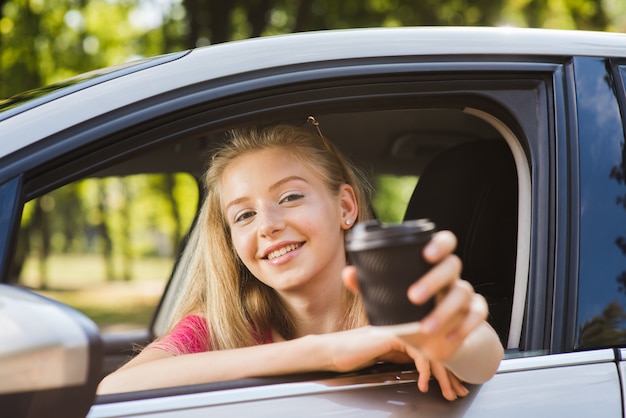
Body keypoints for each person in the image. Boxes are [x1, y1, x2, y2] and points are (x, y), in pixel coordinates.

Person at [97, 121, 504, 400]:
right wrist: (326, 352)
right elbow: (115, 389)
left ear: (345, 206)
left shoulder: (400, 299)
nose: (267, 226)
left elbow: (482, 355)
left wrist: (450, 337)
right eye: (244, 215)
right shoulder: (224, 323)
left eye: (290, 197)